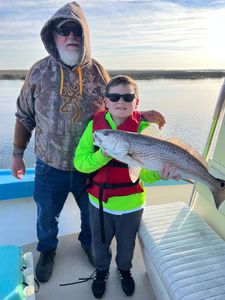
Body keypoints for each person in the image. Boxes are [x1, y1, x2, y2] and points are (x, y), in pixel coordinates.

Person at [11, 1, 165, 284]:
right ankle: (47, 251)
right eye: (64, 30)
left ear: (86, 36)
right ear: (53, 35)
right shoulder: (38, 72)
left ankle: (86, 242)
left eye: (77, 31)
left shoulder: (97, 72)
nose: (71, 36)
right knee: (47, 215)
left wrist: (141, 115)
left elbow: (115, 106)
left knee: (89, 214)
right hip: (49, 164)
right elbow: (24, 115)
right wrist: (18, 153)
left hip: (90, 164)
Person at [74, 75, 181, 298]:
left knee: (126, 246)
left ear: (137, 102)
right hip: (99, 204)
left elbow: (147, 175)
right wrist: (103, 155)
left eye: (127, 96)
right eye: (114, 96)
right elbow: (80, 163)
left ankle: (124, 271)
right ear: (106, 101)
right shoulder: (96, 128)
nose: (120, 101)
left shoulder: (146, 130)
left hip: (132, 205)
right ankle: (101, 272)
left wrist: (162, 174)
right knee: (100, 244)